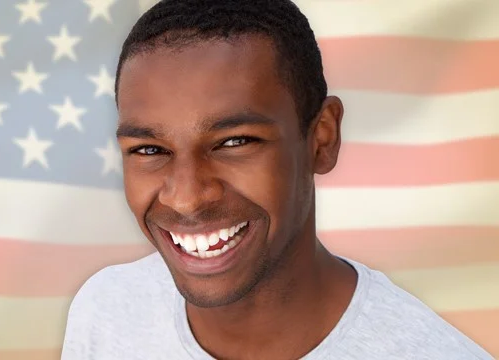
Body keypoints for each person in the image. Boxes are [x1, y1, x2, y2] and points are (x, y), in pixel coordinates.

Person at [61, 0, 494, 359]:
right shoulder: (105, 308)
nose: (187, 198)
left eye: (235, 142)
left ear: (321, 139)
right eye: (149, 150)